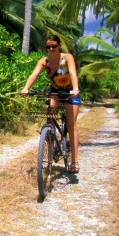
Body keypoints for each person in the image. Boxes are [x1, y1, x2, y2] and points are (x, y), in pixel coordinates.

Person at [21, 34, 81, 173]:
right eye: (48, 46)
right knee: (48, 110)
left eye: (54, 46)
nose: (51, 49)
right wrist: (26, 88)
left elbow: (72, 73)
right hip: (55, 91)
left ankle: (74, 161)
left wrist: (75, 89)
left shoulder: (67, 58)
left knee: (72, 124)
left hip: (70, 91)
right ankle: (51, 136)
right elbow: (33, 75)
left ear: (59, 46)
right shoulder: (44, 61)